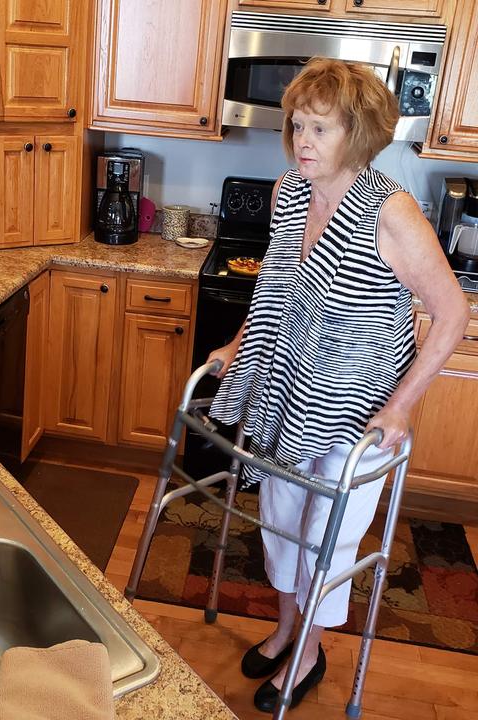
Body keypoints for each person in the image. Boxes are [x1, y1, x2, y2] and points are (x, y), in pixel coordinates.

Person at [207, 57, 470, 713]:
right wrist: (238, 346)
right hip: (290, 394)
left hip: (360, 415)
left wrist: (401, 408)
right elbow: (275, 285)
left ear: (358, 134)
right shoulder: (288, 194)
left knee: (328, 539)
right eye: (297, 126)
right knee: (282, 524)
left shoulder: (392, 211)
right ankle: (290, 632)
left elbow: (452, 313)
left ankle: (306, 657)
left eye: (320, 130)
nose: (303, 142)